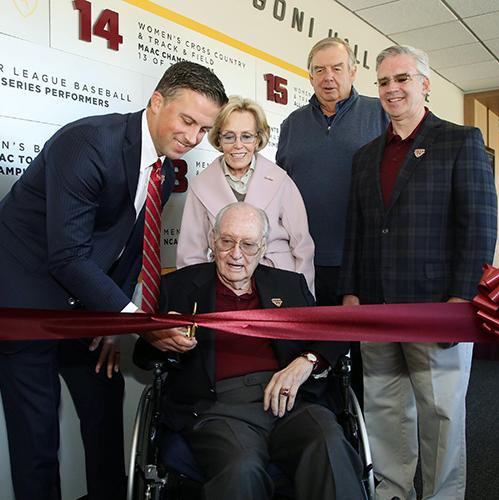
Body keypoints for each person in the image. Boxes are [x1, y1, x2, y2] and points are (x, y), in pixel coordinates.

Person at [0, 61, 227, 500]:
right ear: (157, 101)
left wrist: (111, 321)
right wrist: (137, 321)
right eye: (187, 120)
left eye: (203, 128)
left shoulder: (160, 168)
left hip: (83, 305)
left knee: (104, 406)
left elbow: (126, 248)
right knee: (37, 432)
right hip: (23, 300)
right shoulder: (88, 143)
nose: (194, 137)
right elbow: (67, 255)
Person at [338, 45, 497, 500]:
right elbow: (357, 229)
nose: (392, 89)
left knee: (441, 413)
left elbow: (480, 225)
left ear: (425, 84)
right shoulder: (366, 155)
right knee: (386, 411)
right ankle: (393, 492)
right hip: (376, 307)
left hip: (436, 306)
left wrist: (461, 299)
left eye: (402, 78)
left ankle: (443, 495)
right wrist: (350, 291)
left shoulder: (460, 140)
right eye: (384, 81)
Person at [136, 202, 365, 500]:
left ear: (263, 248)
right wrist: (160, 338)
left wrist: (307, 361)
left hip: (290, 401)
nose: (235, 254)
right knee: (241, 470)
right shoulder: (179, 287)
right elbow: (143, 356)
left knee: (329, 443)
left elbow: (332, 334)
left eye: (247, 245)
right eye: (227, 241)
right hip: (219, 410)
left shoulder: (290, 285)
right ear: (212, 239)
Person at [276, 37, 388, 307]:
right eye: (319, 70)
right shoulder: (292, 124)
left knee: (362, 345)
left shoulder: (381, 114)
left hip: (364, 261)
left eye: (337, 69)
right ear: (310, 76)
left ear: (352, 72)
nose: (328, 78)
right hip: (302, 258)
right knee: (309, 343)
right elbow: (279, 188)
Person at [176, 96, 315, 293]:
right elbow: (190, 255)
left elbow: (303, 248)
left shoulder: (281, 180)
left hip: (278, 284)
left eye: (247, 136)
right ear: (218, 139)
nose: (238, 145)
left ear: (258, 139)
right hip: (224, 286)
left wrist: (302, 297)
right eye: (229, 136)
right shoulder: (201, 185)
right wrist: (195, 301)